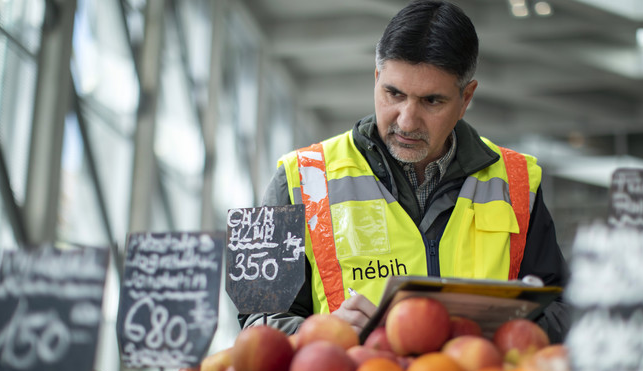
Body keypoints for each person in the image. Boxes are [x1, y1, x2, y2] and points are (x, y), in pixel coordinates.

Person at [238, 0, 570, 343]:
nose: (407, 121)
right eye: (393, 94)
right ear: (376, 77)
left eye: (432, 101)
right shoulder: (295, 177)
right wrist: (322, 331)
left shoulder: (519, 182)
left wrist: (493, 337)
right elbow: (254, 319)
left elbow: (563, 308)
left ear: (466, 98)